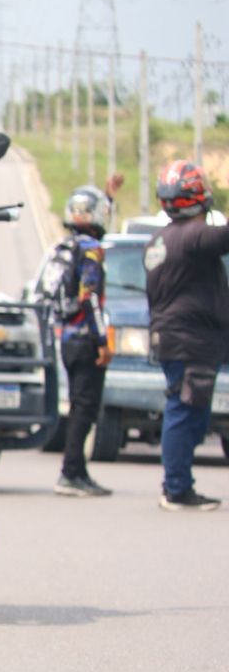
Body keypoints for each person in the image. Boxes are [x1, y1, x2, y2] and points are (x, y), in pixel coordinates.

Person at [143, 160, 229, 512]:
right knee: (184, 410)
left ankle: (179, 483)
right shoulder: (192, 236)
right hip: (189, 339)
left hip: (175, 338)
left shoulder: (160, 240)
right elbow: (223, 238)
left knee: (190, 410)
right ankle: (176, 488)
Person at [52, 173, 123, 497]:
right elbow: (89, 296)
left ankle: (78, 471)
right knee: (85, 408)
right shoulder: (92, 250)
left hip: (67, 338)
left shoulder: (66, 246)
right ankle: (70, 472)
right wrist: (101, 341)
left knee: (81, 406)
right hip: (84, 338)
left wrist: (108, 195)